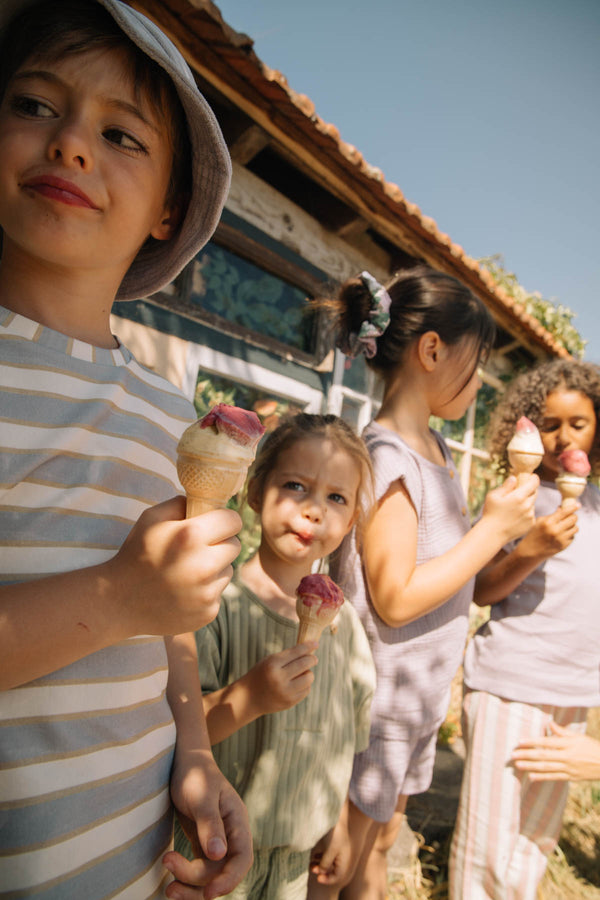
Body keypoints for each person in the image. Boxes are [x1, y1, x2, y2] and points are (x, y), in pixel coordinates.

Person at [0, 1, 253, 897]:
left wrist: (194, 755)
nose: (71, 144)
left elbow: (167, 622)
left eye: (122, 135)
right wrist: (114, 596)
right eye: (35, 105)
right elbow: (133, 597)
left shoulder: (169, 410)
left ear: (168, 210)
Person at [320, 266, 538, 899]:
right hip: (377, 709)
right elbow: (393, 598)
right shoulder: (388, 458)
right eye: (477, 363)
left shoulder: (436, 451)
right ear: (433, 350)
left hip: (416, 700)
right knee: (337, 865)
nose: (481, 380)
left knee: (381, 844)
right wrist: (492, 531)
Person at [175, 413, 378, 900]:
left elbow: (350, 734)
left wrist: (342, 823)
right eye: (295, 486)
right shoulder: (214, 606)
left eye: (336, 497)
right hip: (217, 857)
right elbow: (179, 730)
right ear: (255, 490)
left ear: (351, 519)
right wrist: (249, 697)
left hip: (296, 864)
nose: (314, 511)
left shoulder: (344, 624)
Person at [449, 358, 600, 900]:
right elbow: (480, 589)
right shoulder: (517, 500)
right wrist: (531, 549)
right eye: (549, 423)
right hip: (511, 687)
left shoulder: (599, 507)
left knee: (532, 841)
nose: (562, 438)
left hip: (573, 695)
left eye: (577, 424)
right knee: (488, 845)